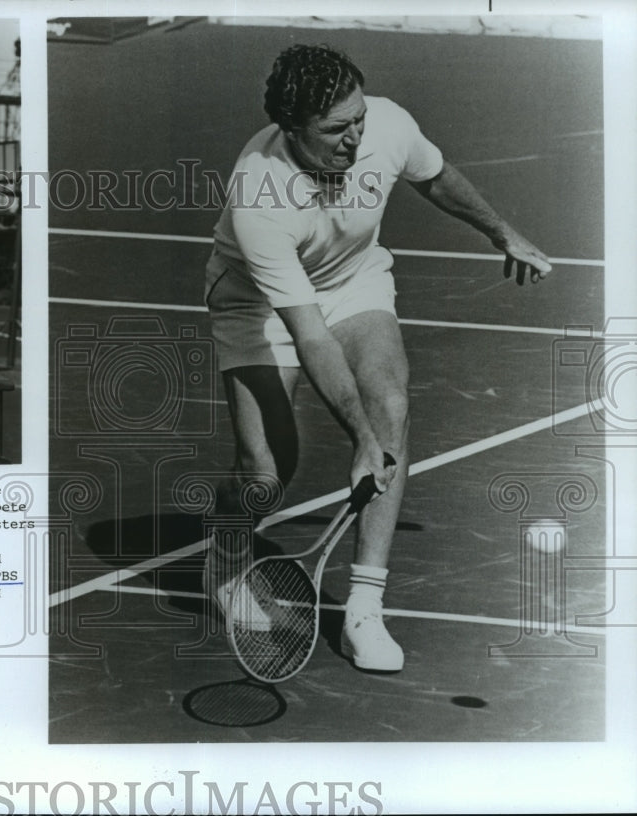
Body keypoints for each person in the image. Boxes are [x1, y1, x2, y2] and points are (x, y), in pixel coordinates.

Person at [203, 44, 551, 671]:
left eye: (357, 118)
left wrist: (500, 230)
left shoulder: (386, 123)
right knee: (264, 473)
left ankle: (365, 606)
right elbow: (310, 337)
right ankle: (226, 565)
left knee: (390, 403)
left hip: (354, 281)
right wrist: (358, 438)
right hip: (259, 307)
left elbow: (435, 176)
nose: (354, 137)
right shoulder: (261, 196)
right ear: (291, 130)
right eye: (336, 129)